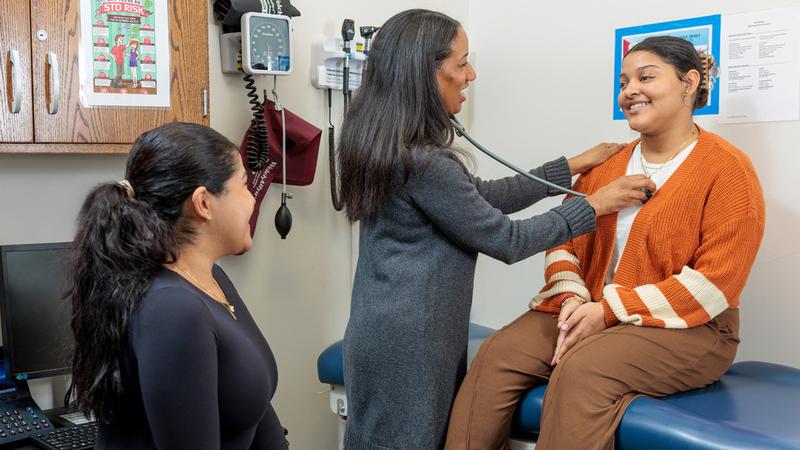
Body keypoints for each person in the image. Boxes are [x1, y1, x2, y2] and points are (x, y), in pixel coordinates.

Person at [336, 9, 656, 450]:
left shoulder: (391, 144)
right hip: (410, 344)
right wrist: (596, 205)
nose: (471, 74)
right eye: (462, 63)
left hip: (390, 329)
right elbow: (507, 240)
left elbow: (479, 196)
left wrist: (567, 167)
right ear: (427, 73)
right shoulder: (425, 162)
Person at [445, 36, 765, 450]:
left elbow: (715, 285)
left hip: (692, 328)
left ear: (688, 83)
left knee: (583, 370)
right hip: (588, 308)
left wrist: (610, 311)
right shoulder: (606, 166)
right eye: (623, 81)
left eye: (645, 77)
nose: (629, 90)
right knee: (496, 355)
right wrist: (576, 300)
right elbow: (564, 244)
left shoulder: (729, 170)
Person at [68, 122, 289, 449]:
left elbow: (256, 413)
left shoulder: (210, 279)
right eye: (243, 185)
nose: (251, 200)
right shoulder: (172, 308)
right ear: (203, 203)